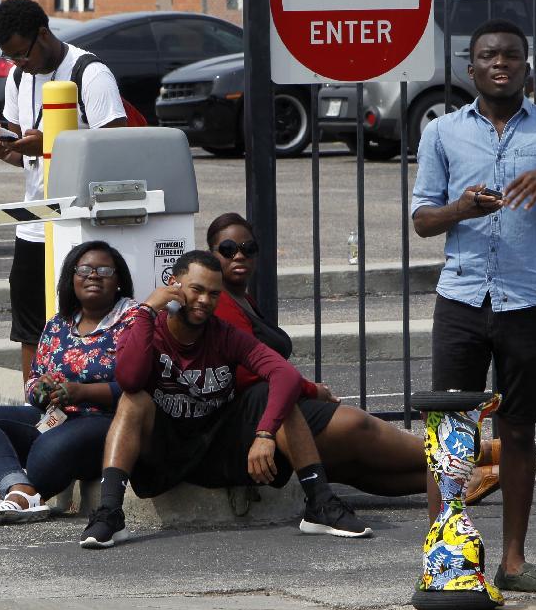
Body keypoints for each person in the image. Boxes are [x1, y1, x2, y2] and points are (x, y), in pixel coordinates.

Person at [411, 19, 536, 594]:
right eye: (488, 56)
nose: (500, 64)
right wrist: (462, 208)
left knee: (517, 431)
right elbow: (422, 220)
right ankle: (447, 560)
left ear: (527, 66)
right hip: (461, 297)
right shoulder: (441, 133)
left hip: (526, 302)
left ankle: (512, 561)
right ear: (471, 68)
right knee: (450, 434)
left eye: (511, 55)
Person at [80, 250, 373, 549]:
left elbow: (285, 374)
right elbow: (129, 379)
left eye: (213, 294)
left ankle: (320, 503)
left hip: (219, 446)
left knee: (271, 393)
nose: (205, 301)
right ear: (173, 285)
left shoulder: (225, 335)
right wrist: (147, 311)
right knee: (133, 400)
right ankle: (110, 512)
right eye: (196, 290)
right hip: (166, 450)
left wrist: (264, 433)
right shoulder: (147, 329)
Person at [207, 212, 500, 501]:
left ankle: (461, 483)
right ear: (211, 254)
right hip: (261, 412)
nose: (239, 256)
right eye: (228, 250)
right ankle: (474, 453)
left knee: (352, 467)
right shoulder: (221, 303)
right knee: (360, 427)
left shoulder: (241, 298)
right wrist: (313, 390)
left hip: (278, 402)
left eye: (248, 249)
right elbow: (250, 373)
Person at [0, 0, 127, 383]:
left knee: (87, 324)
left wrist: (48, 145)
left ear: (43, 35)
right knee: (30, 330)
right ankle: (36, 411)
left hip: (82, 226)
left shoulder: (90, 73)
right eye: (10, 58)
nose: (20, 64)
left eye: (22, 54)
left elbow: (116, 149)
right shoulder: (18, 79)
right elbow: (24, 159)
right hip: (33, 224)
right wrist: (8, 149)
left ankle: (84, 404)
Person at [0, 241, 138, 525]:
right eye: (84, 269)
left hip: (104, 420)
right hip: (54, 416)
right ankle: (18, 490)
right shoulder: (59, 323)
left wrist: (81, 392)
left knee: (48, 449)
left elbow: (139, 385)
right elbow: (32, 382)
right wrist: (43, 390)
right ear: (72, 278)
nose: (93, 275)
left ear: (119, 280)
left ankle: (15, 495)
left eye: (104, 269)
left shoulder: (133, 320)